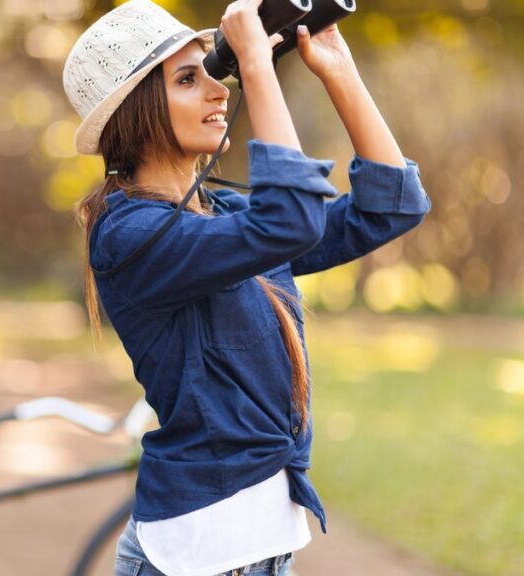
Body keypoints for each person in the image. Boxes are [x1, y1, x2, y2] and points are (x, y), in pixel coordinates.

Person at [60, 0, 432, 575]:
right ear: (137, 112)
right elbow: (289, 219)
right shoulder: (129, 235)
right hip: (197, 555)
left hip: (257, 552)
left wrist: (337, 68)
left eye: (214, 70)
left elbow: (391, 207)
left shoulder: (220, 213)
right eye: (188, 79)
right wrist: (257, 66)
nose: (219, 89)